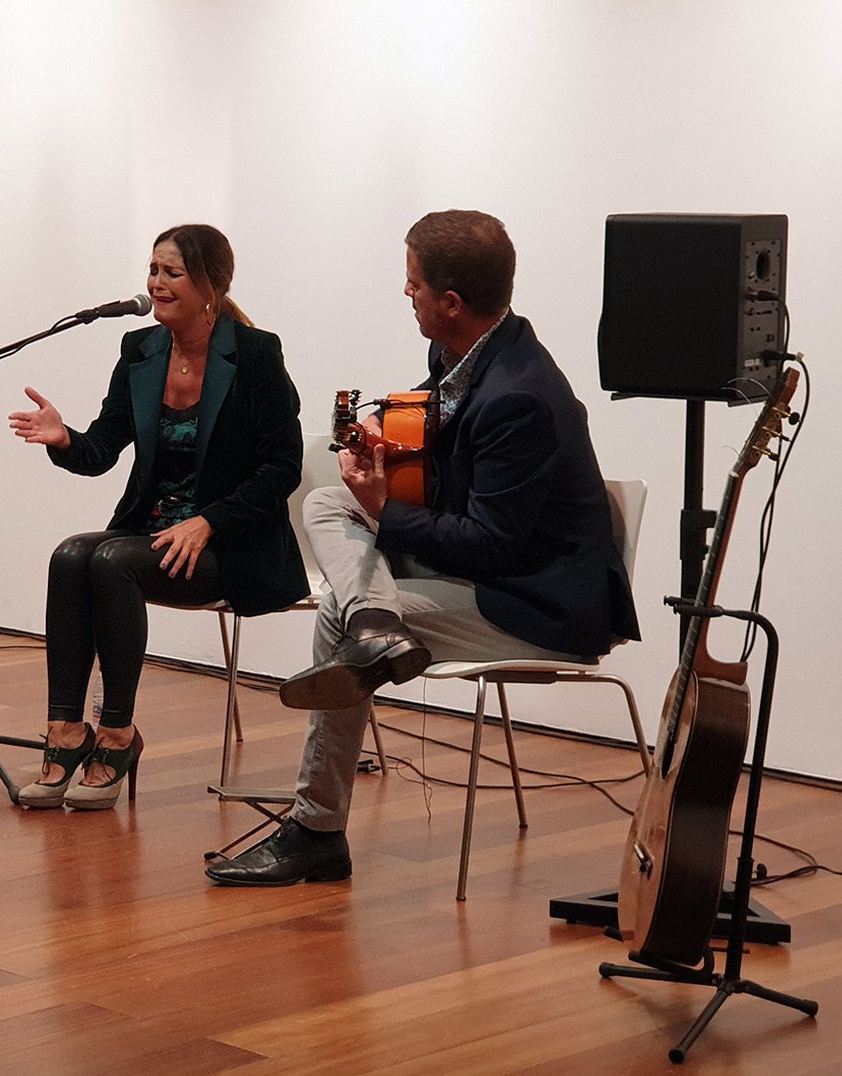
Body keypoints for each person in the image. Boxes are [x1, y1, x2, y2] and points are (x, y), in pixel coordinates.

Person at [206, 209, 641, 886]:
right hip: (489, 572)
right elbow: (446, 441)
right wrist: (389, 437)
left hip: (535, 603)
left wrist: (384, 514)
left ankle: (317, 830)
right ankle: (374, 623)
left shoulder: (520, 396)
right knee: (325, 501)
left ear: (451, 302)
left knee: (334, 612)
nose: (404, 295)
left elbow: (490, 545)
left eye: (412, 285)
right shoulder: (468, 354)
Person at [9, 224, 307, 810]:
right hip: (151, 532)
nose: (156, 284)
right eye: (153, 271)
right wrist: (63, 438)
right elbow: (100, 452)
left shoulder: (255, 355)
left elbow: (283, 467)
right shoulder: (139, 352)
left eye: (172, 273)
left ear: (212, 286)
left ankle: (117, 734)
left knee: (115, 562)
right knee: (71, 555)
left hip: (229, 543)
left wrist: (210, 520)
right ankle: (67, 731)